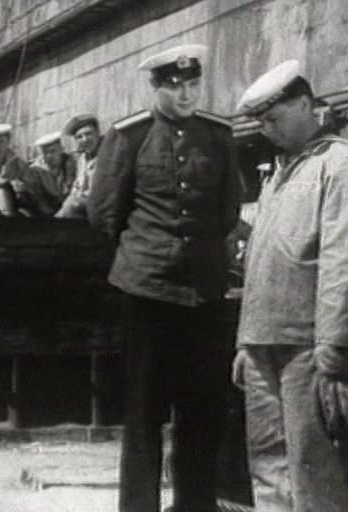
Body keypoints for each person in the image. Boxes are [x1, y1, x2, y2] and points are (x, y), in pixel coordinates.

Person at [87, 44, 240, 512]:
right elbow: (104, 213)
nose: (187, 94)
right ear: (156, 87)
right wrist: (145, 253)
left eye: (193, 84)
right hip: (147, 291)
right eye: (175, 87)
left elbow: (228, 210)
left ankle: (194, 505)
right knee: (143, 410)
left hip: (204, 291)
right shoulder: (130, 135)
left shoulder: (217, 135)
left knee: (202, 407)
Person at [232, 60, 348, 512]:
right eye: (261, 122)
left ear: (304, 105)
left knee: (312, 466)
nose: (267, 129)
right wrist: (244, 341)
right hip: (262, 341)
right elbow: (260, 261)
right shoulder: (278, 173)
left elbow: (345, 261)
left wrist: (333, 346)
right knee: (267, 463)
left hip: (306, 346)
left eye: (273, 118)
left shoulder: (341, 165)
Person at [55, 114, 102, 218]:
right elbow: (77, 187)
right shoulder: (82, 159)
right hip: (85, 207)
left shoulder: (107, 154)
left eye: (88, 134)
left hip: (102, 204)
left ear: (98, 133)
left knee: (72, 205)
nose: (84, 139)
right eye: (79, 137)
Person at [26, 132, 76, 216]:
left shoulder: (71, 163)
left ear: (61, 149)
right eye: (45, 153)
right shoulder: (36, 170)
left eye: (53, 151)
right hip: (46, 214)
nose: (49, 156)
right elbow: (40, 201)